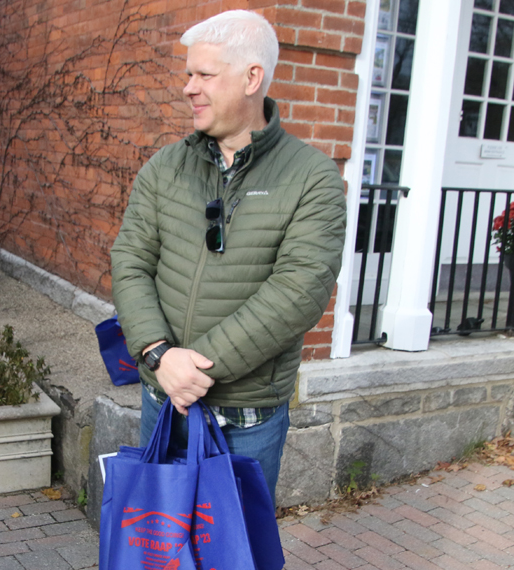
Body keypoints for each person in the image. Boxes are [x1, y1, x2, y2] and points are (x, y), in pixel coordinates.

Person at [110, 10, 347, 505]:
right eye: (188, 74)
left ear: (251, 78)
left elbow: (299, 291)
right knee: (158, 546)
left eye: (205, 74)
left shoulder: (312, 178)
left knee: (232, 554)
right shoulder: (165, 168)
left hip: (246, 421)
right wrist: (158, 355)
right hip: (163, 402)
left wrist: (194, 369)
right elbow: (130, 260)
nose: (189, 87)